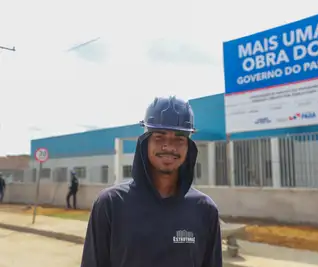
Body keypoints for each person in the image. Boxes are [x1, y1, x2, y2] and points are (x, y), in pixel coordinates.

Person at [81, 96, 222, 267]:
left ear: (188, 147)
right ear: (145, 142)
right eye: (159, 137)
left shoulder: (204, 210)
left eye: (179, 139)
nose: (169, 146)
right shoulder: (111, 204)